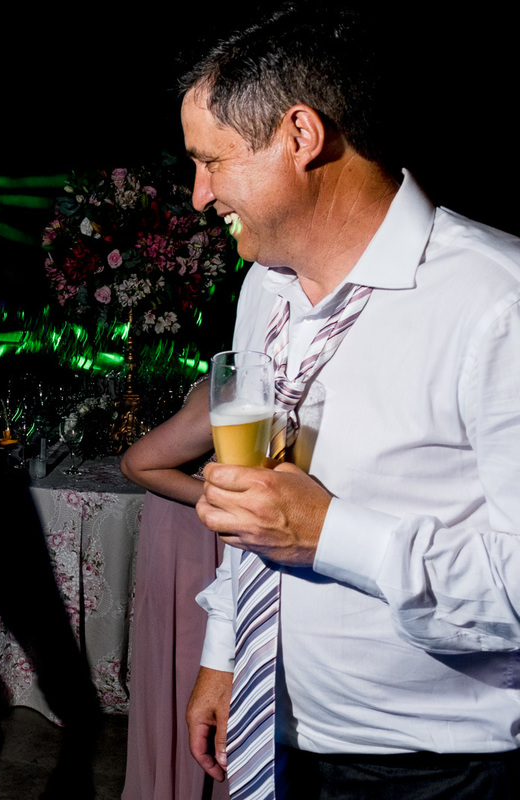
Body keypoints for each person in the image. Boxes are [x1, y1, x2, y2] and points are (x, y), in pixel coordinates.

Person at [180, 7, 520, 798]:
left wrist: (330, 533)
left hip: (440, 768)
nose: (199, 195)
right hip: (279, 725)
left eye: (212, 162)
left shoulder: (496, 303)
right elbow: (257, 491)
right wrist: (227, 652)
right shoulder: (263, 287)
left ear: (300, 136)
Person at [120, 381, 228, 800]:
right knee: (190, 671)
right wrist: (231, 499)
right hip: (191, 541)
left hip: (213, 537)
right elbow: (137, 465)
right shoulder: (230, 387)